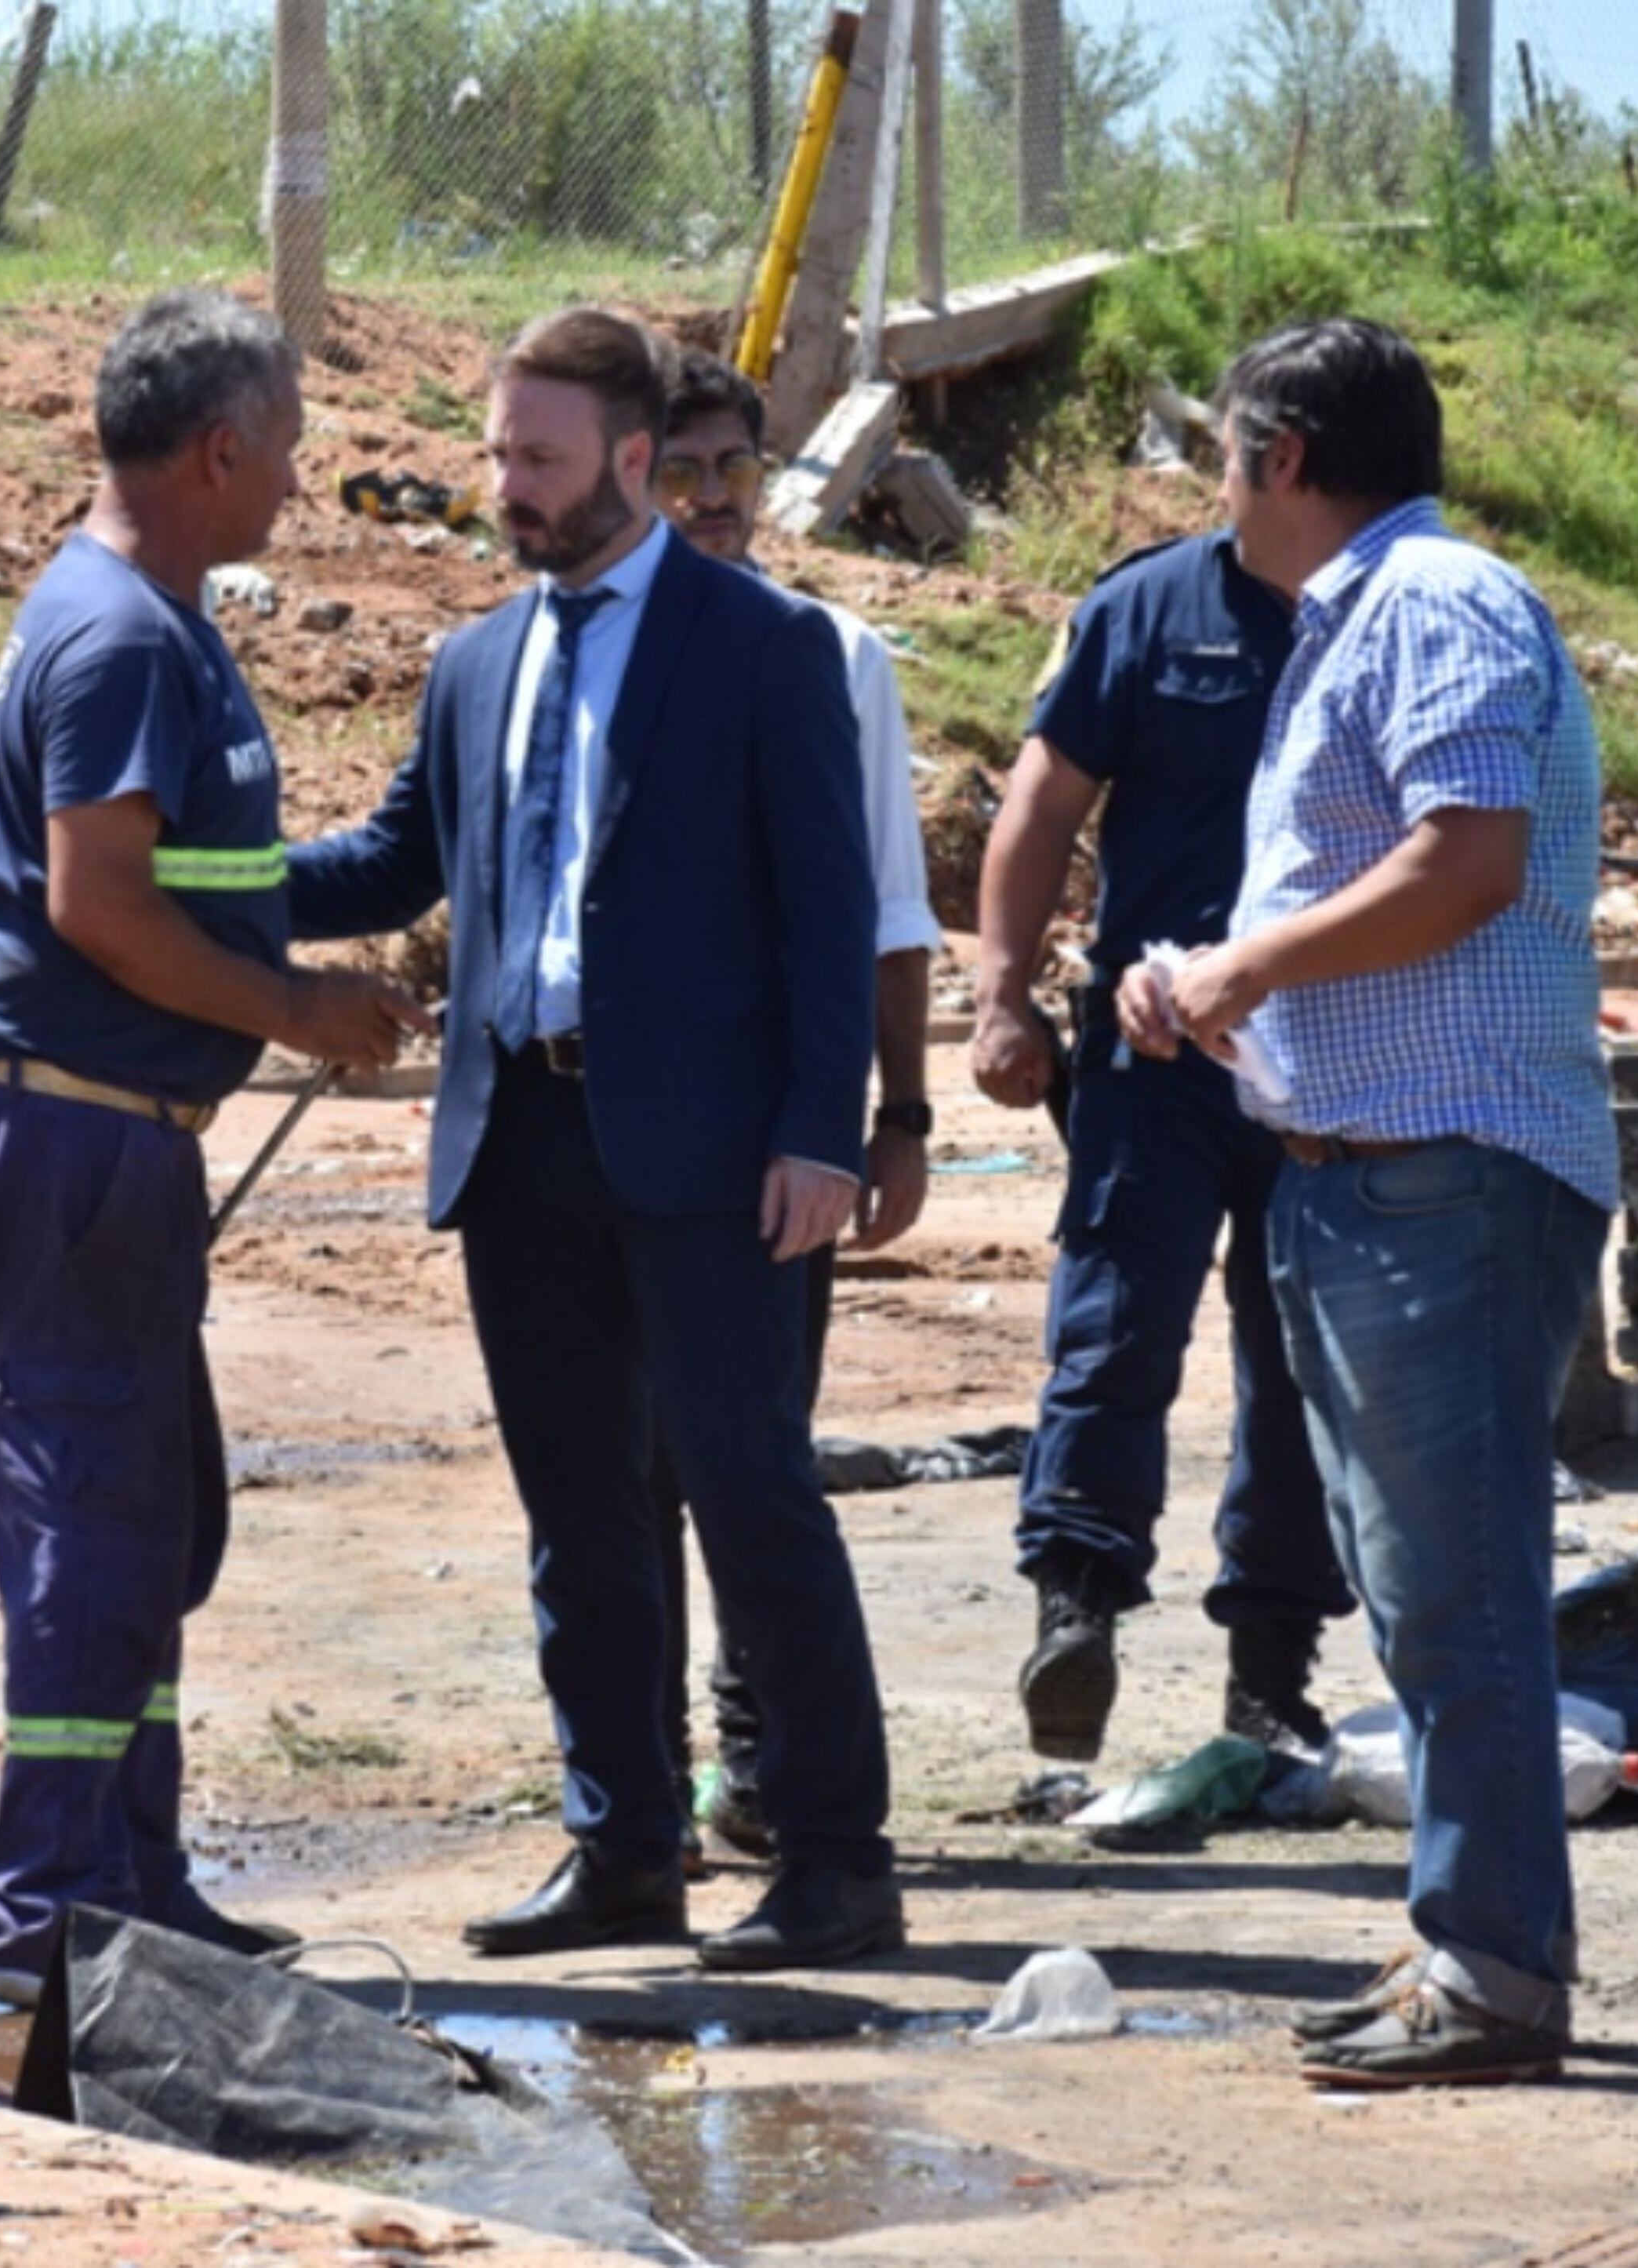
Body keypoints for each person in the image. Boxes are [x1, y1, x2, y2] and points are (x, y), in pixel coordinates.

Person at [291, 310, 899, 1972]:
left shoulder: (765, 648)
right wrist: (177, 878)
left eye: (539, 462)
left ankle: (836, 1861)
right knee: (577, 1517)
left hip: (712, 1152)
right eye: (496, 455)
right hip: (522, 1143)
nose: (508, 490)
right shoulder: (475, 659)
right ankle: (621, 1847)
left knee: (750, 1497)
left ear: (633, 462)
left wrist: (819, 1136)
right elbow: (388, 863)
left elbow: (826, 910)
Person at [0, 290, 429, 2007]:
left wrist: (389, 880)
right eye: (285, 441)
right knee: (89, 1521)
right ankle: (49, 1919)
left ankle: (128, 1882)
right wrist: (300, 1014)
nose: (294, 475)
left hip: (111, 1143)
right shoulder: (127, 640)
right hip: (64, 1138)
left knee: (148, 1519)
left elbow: (206, 887)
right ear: (221, 448)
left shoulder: (151, 622)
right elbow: (102, 905)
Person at [1122, 317, 1615, 2088]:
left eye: (1222, 454)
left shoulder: (1429, 606)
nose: (1210, 491)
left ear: (1279, 454)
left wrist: (1242, 970)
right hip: (1372, 1176)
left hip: (1439, 1180)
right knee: (1418, 1595)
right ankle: (1459, 1949)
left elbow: (1463, 856)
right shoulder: (1372, 613)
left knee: (1454, 1588)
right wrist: (1215, 980)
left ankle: (1491, 1973)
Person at [970, 488, 1353, 1768]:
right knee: (1116, 1329)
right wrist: (1001, 1000)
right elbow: (1042, 804)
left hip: (1336, 1061)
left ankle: (1271, 1675)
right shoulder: (1150, 605)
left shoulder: (1396, 608)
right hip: (1153, 1053)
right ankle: (1073, 1611)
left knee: (1301, 1365)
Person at [641, 345, 943, 1863]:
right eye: (679, 472)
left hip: (773, 1133)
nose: (708, 504)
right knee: (622, 1462)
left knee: (750, 1452)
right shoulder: (582, 642)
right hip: (609, 1133)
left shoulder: (832, 656)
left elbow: (882, 909)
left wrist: (893, 1114)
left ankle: (762, 1766)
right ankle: (634, 1786)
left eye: (732, 474)